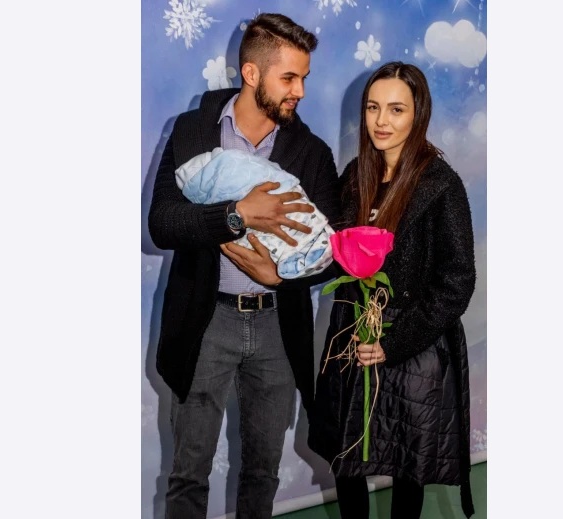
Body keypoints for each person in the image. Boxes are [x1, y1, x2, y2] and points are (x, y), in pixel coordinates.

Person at [147, 13, 342, 519]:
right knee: (189, 473)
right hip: (205, 320)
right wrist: (236, 215)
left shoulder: (311, 153)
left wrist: (281, 276)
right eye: (289, 77)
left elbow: (331, 251)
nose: (300, 91)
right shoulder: (193, 131)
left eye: (304, 78)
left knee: (262, 473)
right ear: (252, 73)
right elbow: (162, 223)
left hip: (279, 328)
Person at [307, 61, 478, 518]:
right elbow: (332, 251)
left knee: (407, 466)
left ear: (418, 115)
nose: (381, 121)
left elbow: (458, 280)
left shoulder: (440, 184)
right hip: (352, 339)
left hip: (412, 346)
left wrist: (393, 342)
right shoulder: (355, 175)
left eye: (396, 109)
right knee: (346, 457)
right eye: (373, 108)